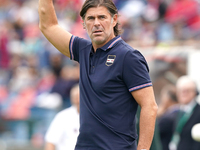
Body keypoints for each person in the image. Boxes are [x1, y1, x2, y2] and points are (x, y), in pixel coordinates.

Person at [38, 0, 158, 149]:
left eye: (102, 17)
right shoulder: (82, 50)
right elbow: (48, 26)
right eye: (90, 18)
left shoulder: (128, 56)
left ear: (114, 20)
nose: (96, 23)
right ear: (83, 23)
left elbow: (149, 106)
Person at [45, 84, 80, 150]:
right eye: (75, 97)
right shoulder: (63, 116)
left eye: (78, 96)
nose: (77, 100)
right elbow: (50, 141)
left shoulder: (94, 116)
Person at [169, 75, 200, 150]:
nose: (183, 94)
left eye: (187, 91)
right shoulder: (176, 112)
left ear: (195, 92)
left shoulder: (198, 112)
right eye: (181, 91)